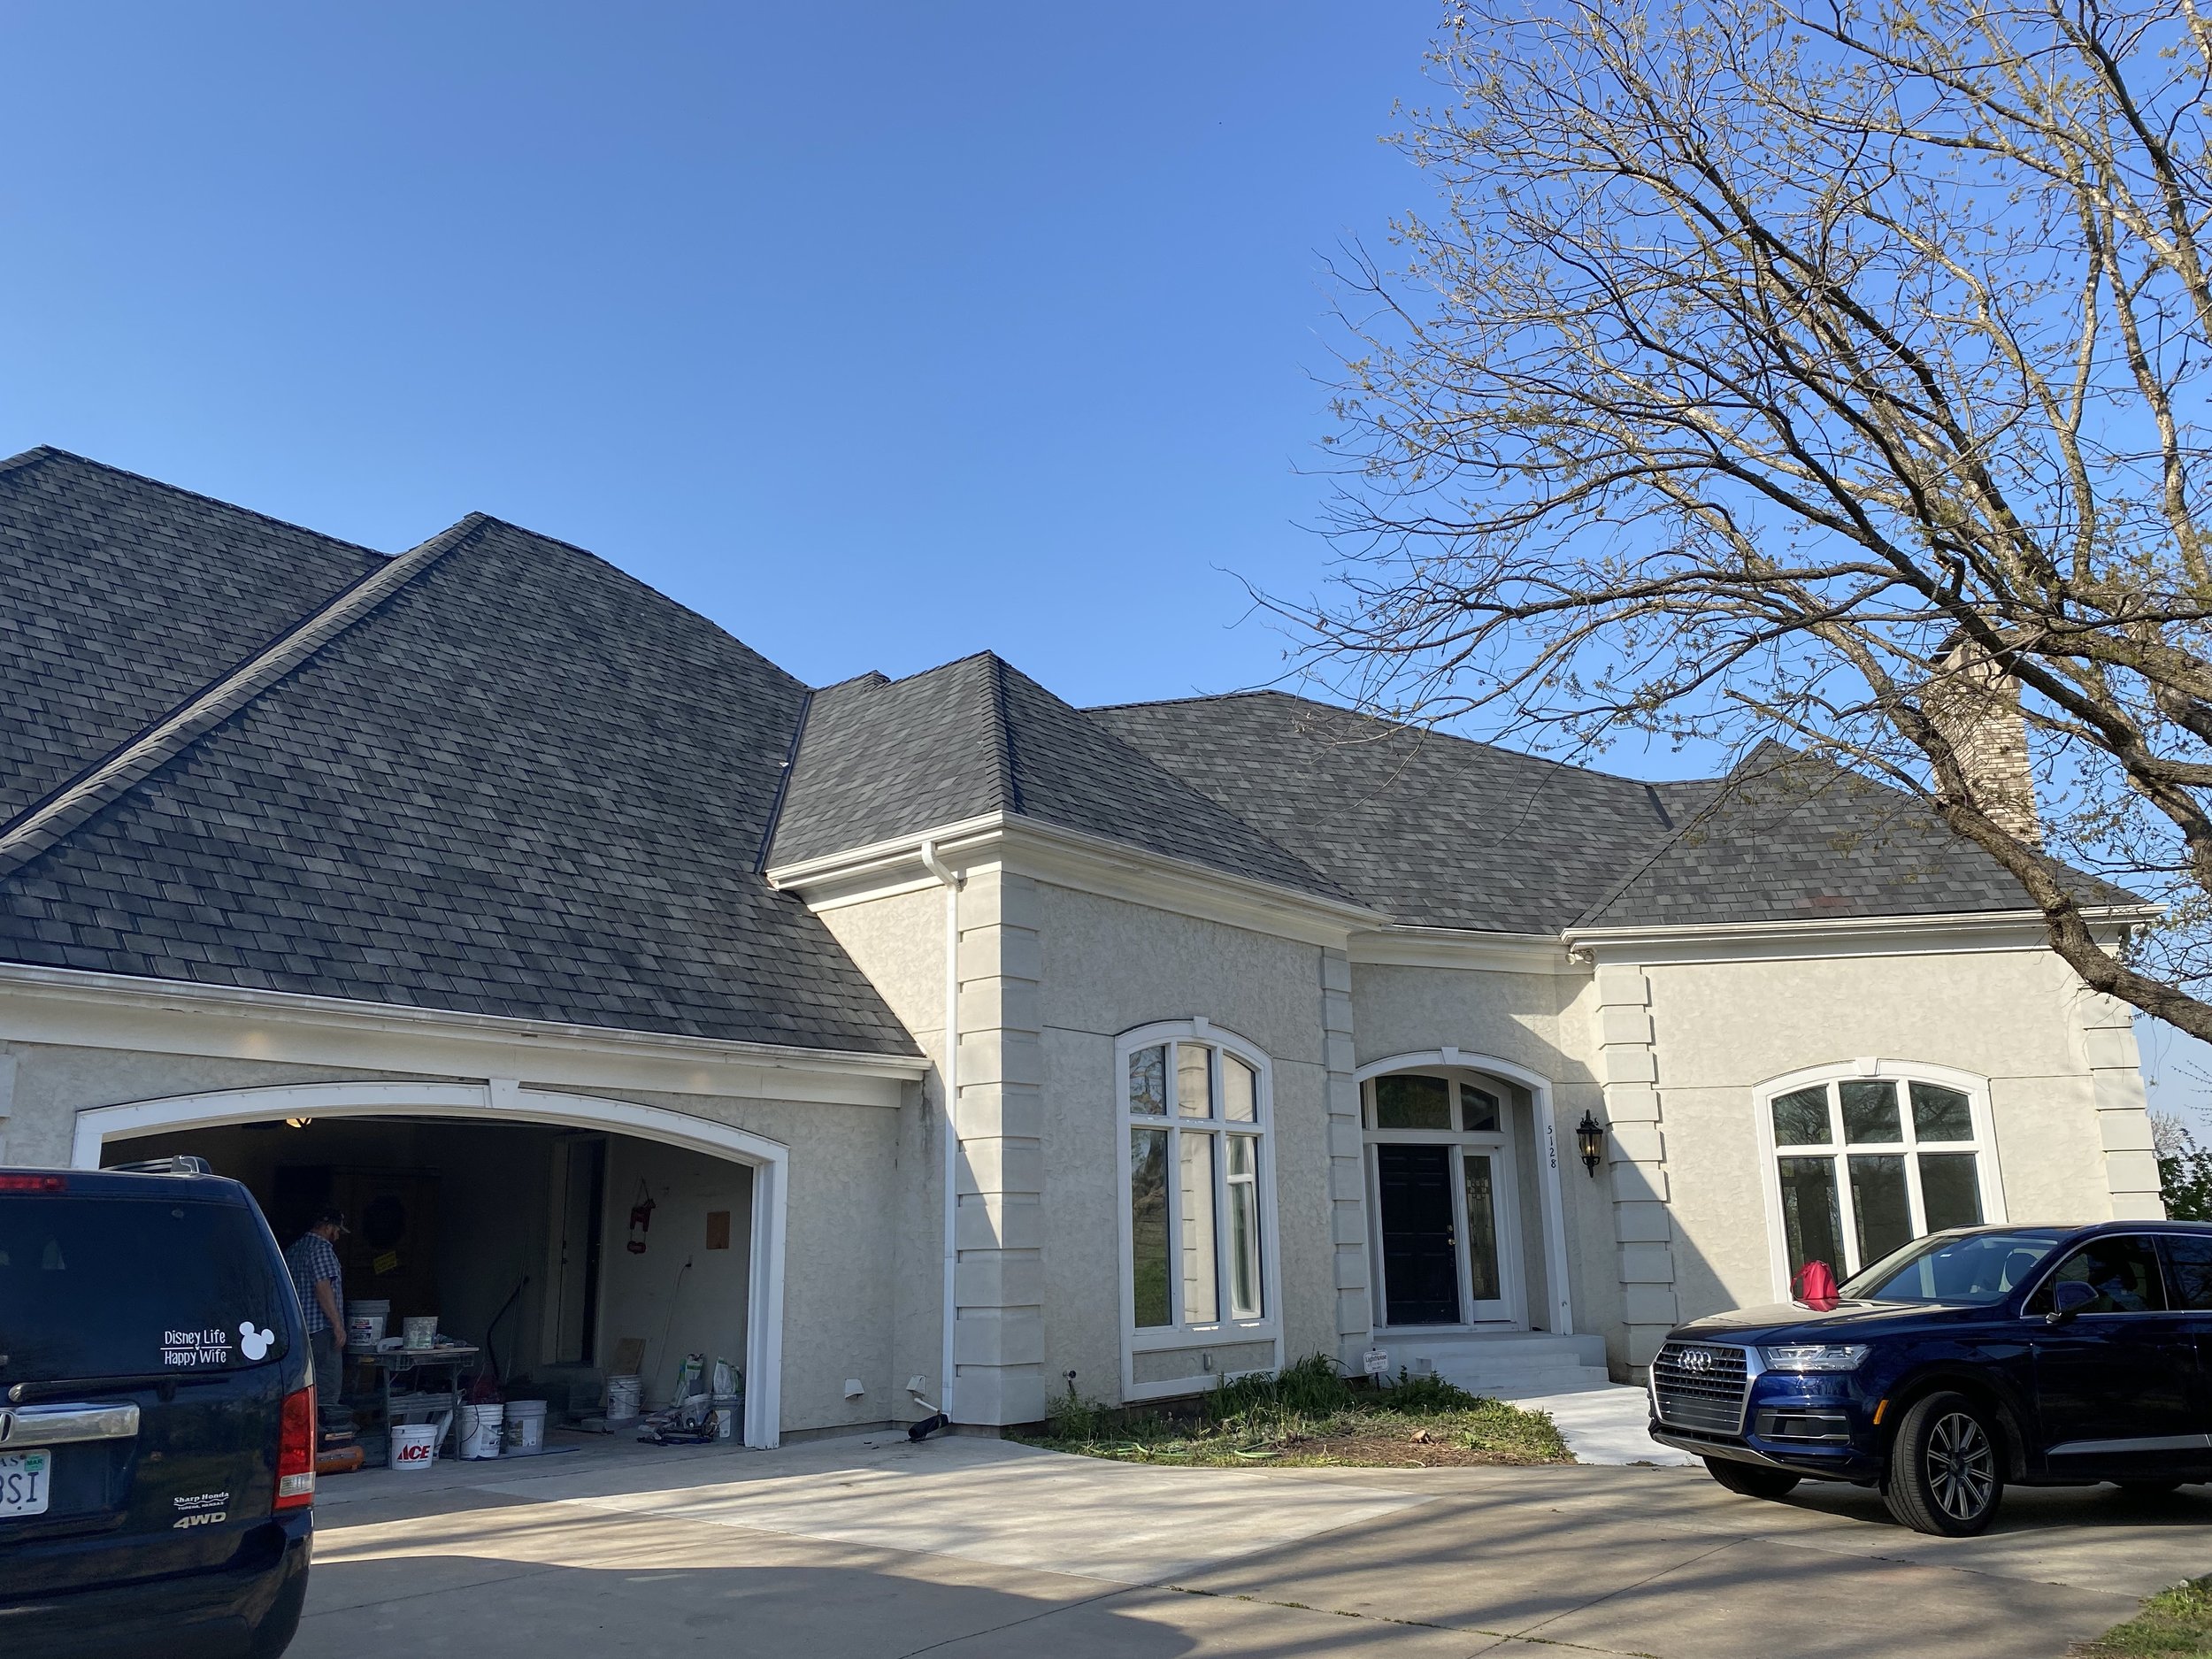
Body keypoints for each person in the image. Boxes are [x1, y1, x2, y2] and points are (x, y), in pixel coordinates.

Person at [283, 1207, 347, 1432]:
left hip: (299, 1333)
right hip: (321, 1330)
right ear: (328, 1227)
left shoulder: (294, 1250)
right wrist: (338, 1325)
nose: (337, 1236)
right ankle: (325, 1440)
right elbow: (323, 1288)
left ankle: (304, 1435)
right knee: (327, 1389)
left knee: (302, 1387)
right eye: (337, 1230)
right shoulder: (321, 1250)